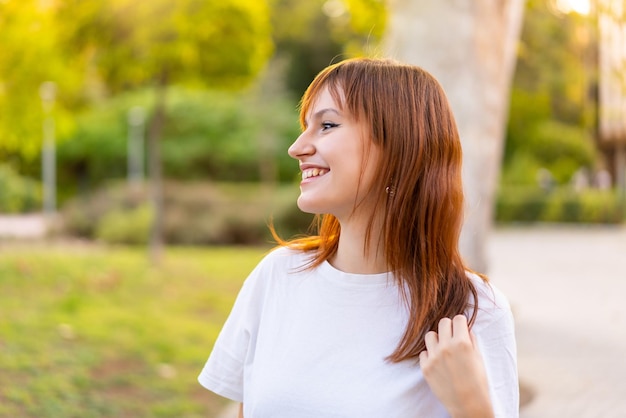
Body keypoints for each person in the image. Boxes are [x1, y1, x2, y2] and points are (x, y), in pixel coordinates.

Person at [198, 57, 519, 417]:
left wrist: (472, 406)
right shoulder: (277, 277)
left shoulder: (472, 309)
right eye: (306, 126)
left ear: (400, 147)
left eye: (327, 125)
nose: (297, 147)